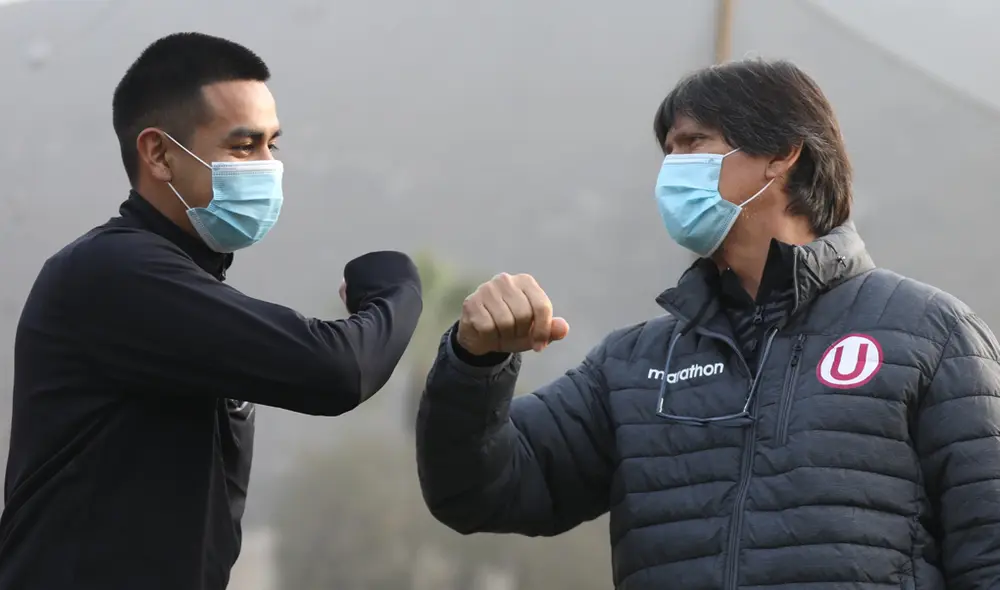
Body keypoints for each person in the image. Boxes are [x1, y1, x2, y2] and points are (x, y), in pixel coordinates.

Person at [416, 58, 1000, 589]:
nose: (672, 170)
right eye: (668, 152)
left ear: (783, 153)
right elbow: (476, 491)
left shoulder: (930, 334)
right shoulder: (634, 366)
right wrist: (474, 363)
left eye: (693, 144)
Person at [0, 32, 422, 589]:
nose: (268, 167)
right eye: (243, 147)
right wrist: (399, 286)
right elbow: (337, 370)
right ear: (158, 153)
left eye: (273, 145)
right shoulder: (114, 273)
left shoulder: (180, 281)